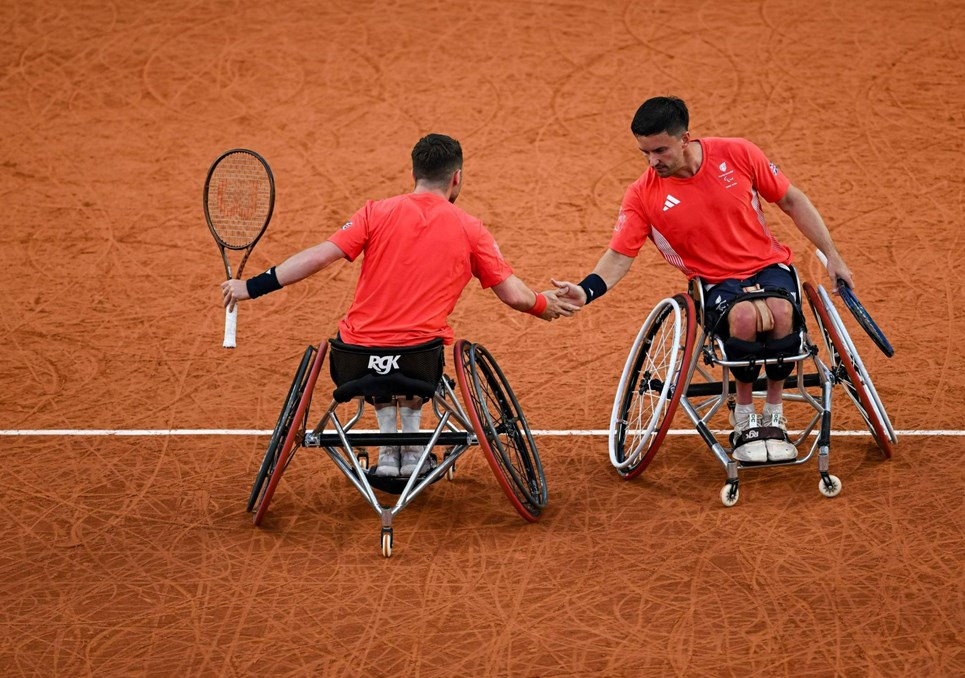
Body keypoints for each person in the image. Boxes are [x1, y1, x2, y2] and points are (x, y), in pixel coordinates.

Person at [223, 133, 577, 477]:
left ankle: (389, 450)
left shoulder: (375, 212)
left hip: (355, 361)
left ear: (413, 174)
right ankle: (410, 451)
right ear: (456, 178)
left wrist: (252, 287)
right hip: (419, 362)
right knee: (414, 355)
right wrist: (543, 304)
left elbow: (318, 257)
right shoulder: (471, 228)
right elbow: (514, 295)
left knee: (373, 350)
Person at [552, 96, 855, 464]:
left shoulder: (738, 153)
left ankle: (774, 411)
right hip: (713, 281)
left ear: (685, 138)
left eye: (660, 150)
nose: (653, 161)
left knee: (780, 313)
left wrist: (832, 255)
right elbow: (619, 255)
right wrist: (586, 290)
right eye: (644, 153)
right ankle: (744, 415)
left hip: (769, 265)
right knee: (744, 318)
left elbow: (791, 200)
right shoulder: (642, 195)